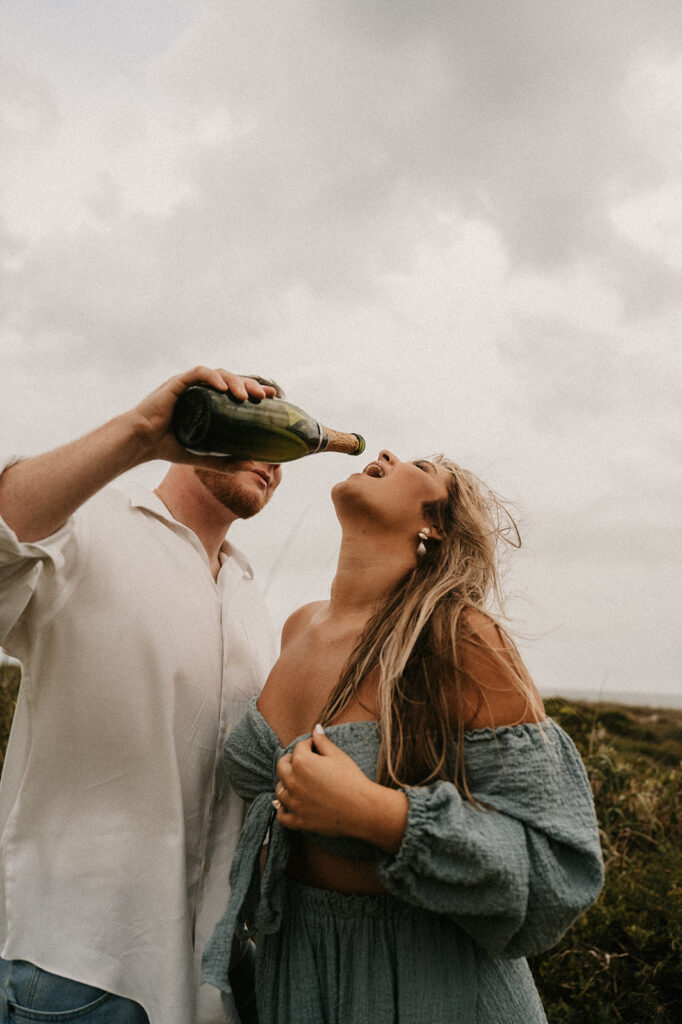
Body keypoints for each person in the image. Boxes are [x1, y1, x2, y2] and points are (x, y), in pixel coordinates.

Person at [201, 450, 605, 1023]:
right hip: (300, 974)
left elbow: (556, 872)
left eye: (419, 464)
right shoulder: (298, 627)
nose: (385, 453)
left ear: (434, 524)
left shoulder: (457, 637)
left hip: (428, 983)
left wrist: (374, 814)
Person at [0, 367, 284, 1024]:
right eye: (252, 430)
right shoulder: (91, 526)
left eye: (282, 447)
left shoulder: (249, 597)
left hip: (202, 981)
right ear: (200, 428)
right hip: (77, 968)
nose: (272, 461)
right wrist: (141, 434)